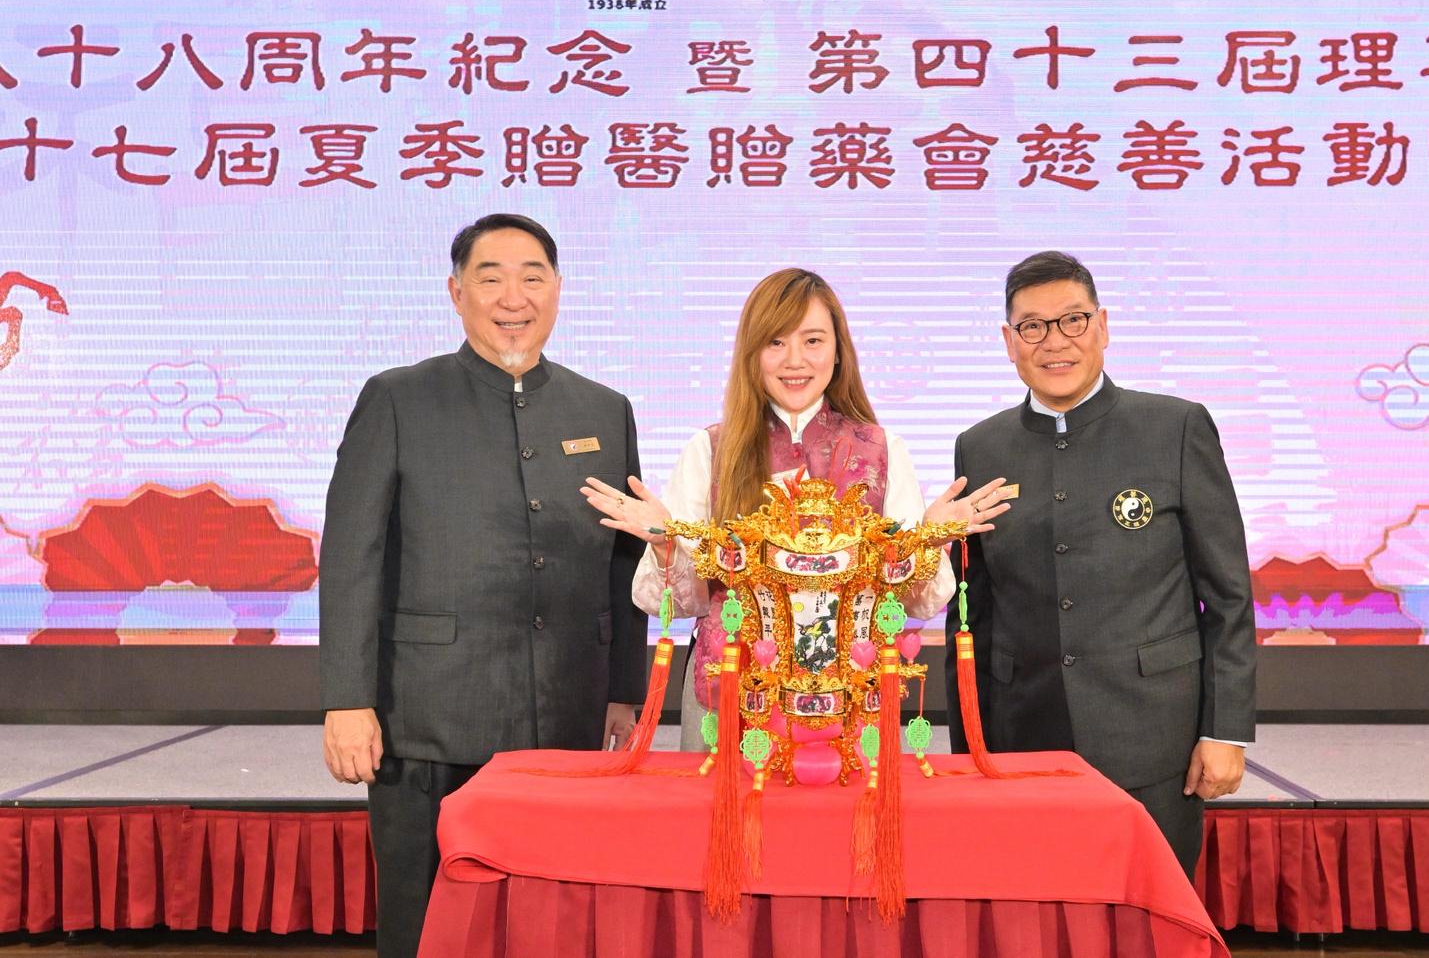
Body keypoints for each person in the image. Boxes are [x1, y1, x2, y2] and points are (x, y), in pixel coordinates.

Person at [318, 214, 646, 958]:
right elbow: (351, 557)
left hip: (566, 716)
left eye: (532, 277)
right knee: (423, 924)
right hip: (427, 717)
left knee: (554, 924)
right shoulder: (397, 399)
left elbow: (624, 561)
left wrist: (624, 689)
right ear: (456, 292)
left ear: (557, 289)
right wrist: (347, 699)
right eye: (490, 278)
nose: (513, 297)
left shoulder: (604, 409)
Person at [583, 268, 1011, 749]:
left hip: (853, 699)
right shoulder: (711, 451)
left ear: (838, 350)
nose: (795, 360)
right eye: (776, 342)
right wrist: (665, 543)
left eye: (812, 341)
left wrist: (927, 540)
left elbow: (916, 603)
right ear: (752, 352)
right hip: (729, 695)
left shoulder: (882, 451)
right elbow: (683, 603)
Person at [946, 250, 1255, 876]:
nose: (1054, 341)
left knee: (1149, 913)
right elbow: (970, 613)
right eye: (1032, 326)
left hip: (1155, 741)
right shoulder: (979, 446)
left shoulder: (1175, 428)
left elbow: (1227, 594)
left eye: (1073, 320)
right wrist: (968, 745)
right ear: (1009, 341)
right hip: (1021, 739)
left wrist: (1225, 731)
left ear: (1103, 326)